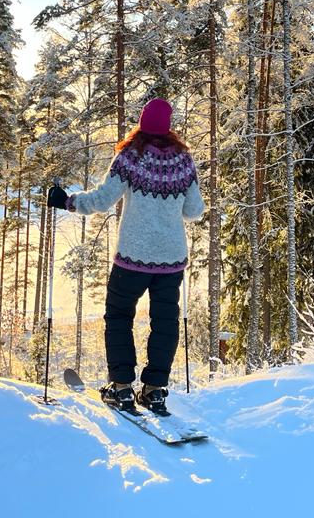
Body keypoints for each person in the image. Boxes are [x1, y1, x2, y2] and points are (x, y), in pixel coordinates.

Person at [47, 98, 204, 415]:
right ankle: (155, 390)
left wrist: (68, 201)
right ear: (169, 126)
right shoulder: (184, 161)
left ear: (142, 122)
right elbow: (194, 210)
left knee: (119, 316)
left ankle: (121, 387)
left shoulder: (131, 156)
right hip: (171, 259)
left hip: (133, 257)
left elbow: (103, 199)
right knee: (165, 322)